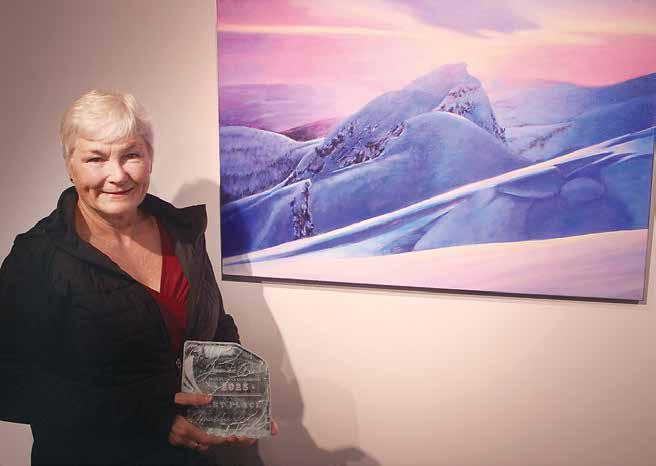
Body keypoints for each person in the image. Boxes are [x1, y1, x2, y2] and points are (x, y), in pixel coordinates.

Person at [0, 90, 276, 465]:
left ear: (149, 158)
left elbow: (215, 328)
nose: (117, 175)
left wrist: (236, 405)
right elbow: (11, 383)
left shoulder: (182, 234)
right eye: (96, 158)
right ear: (70, 166)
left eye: (131, 155)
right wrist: (152, 414)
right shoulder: (39, 256)